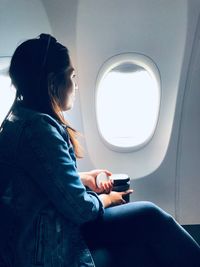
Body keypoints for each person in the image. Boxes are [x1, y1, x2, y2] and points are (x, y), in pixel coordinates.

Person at [0, 34, 199, 267]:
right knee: (150, 215)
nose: (75, 85)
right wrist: (107, 199)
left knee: (144, 235)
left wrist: (83, 179)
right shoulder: (40, 131)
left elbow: (38, 182)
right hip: (44, 247)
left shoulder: (19, 119)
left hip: (35, 233)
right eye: (72, 76)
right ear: (53, 83)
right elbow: (81, 210)